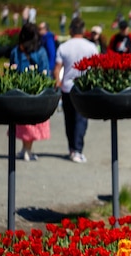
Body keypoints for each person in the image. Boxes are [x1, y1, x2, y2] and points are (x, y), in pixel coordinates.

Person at [54, 17, 98, 164]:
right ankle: (77, 150)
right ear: (84, 30)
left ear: (71, 30)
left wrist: (58, 82)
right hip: (84, 88)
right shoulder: (91, 47)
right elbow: (96, 68)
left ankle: (72, 148)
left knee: (69, 119)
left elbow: (57, 69)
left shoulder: (63, 47)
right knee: (81, 120)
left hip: (67, 87)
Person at [9, 23, 52, 161]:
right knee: (31, 123)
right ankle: (27, 150)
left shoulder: (16, 50)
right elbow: (45, 72)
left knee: (22, 123)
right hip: (35, 91)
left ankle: (25, 149)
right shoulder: (40, 51)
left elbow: (11, 71)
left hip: (19, 91)